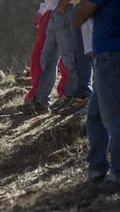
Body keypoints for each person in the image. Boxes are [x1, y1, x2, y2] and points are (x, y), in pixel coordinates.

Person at [75, 0, 120, 193]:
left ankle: (117, 174)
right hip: (107, 53)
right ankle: (97, 169)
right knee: (95, 113)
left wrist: (88, 10)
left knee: (113, 118)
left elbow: (77, 17)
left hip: (110, 55)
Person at [25, 0, 80, 114]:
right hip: (54, 13)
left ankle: (74, 96)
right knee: (47, 57)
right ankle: (41, 100)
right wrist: (44, 10)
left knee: (68, 56)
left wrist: (62, 6)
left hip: (65, 9)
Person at [56, 0, 93, 115]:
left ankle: (84, 95)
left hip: (88, 7)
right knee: (82, 53)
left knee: (86, 53)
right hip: (83, 7)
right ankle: (84, 95)